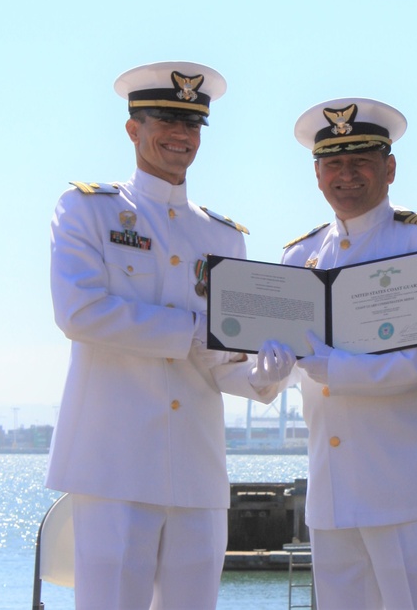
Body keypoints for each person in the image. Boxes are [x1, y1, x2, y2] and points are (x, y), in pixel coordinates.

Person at [46, 61, 295, 610]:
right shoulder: (87, 209)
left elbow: (221, 359)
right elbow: (80, 312)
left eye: (193, 124)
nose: (181, 135)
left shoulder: (223, 236)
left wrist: (263, 376)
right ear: (133, 128)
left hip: (197, 469)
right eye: (165, 119)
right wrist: (191, 331)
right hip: (114, 463)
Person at [279, 97, 417, 609]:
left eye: (360, 161)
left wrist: (336, 369)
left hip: (414, 487)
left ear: (389, 168)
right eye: (332, 164)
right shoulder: (299, 256)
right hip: (333, 491)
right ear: (317, 174)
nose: (345, 175)